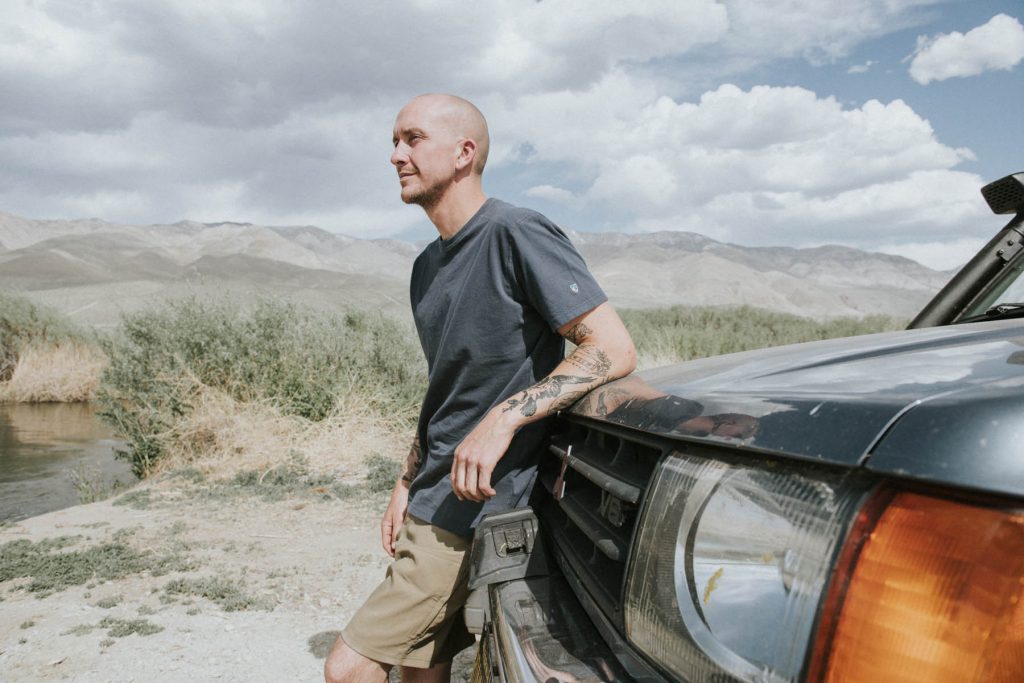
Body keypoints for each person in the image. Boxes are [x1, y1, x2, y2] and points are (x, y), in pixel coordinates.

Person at [324, 94, 636, 683]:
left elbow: (612, 349)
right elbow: (446, 389)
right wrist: (404, 483)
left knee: (349, 668)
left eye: (412, 139)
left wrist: (504, 420)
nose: (395, 155)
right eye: (393, 142)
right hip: (433, 491)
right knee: (425, 668)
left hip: (477, 502)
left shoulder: (514, 232)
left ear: (464, 152)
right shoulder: (426, 267)